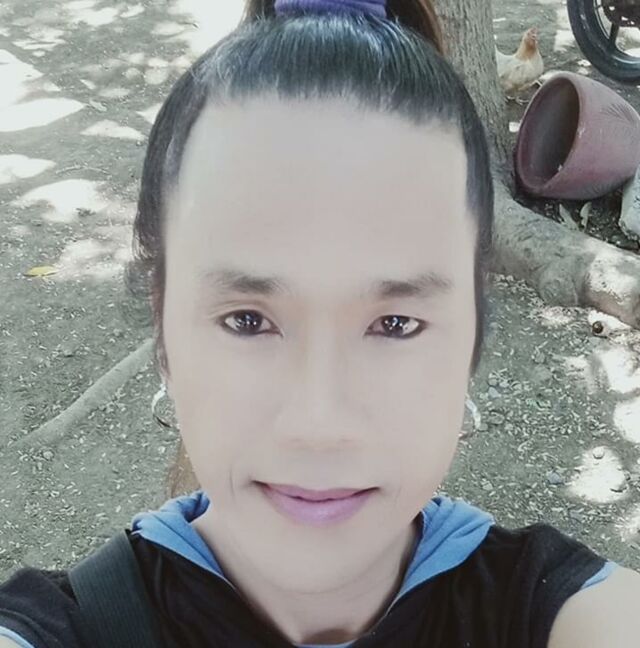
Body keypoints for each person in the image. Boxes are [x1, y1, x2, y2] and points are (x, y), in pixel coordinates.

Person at [1, 0, 639, 646]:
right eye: (247, 320)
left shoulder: (553, 615)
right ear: (162, 330)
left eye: (395, 323)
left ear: (474, 332)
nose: (319, 424)